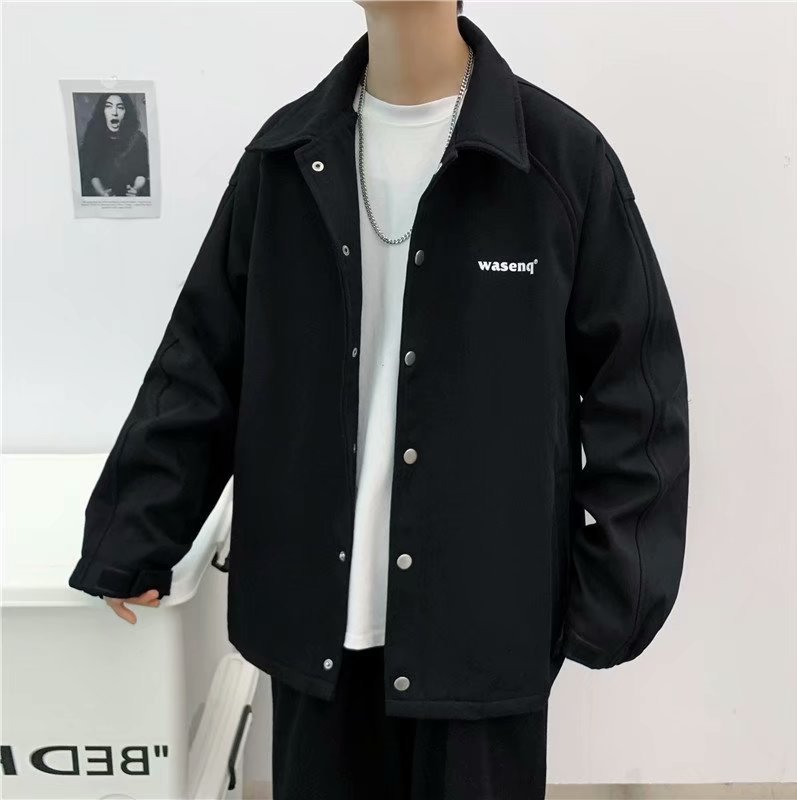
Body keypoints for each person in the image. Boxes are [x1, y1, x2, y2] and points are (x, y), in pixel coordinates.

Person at [68, 3, 690, 798]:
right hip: (313, 617)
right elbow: (203, 360)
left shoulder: (561, 162)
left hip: (484, 625)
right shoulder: (285, 156)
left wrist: (614, 590)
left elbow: (639, 391)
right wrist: (132, 534)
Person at [78, 92, 150, 197]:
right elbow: (91, 173)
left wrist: (135, 189)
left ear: (126, 112)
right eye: (109, 106)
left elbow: (142, 173)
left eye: (120, 107)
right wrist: (102, 192)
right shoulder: (93, 137)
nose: (114, 112)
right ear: (102, 111)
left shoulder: (138, 138)